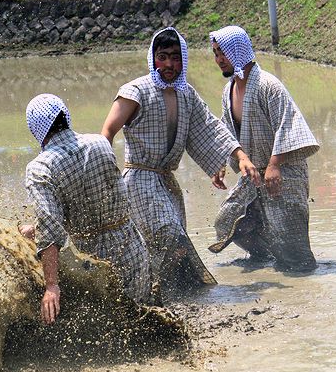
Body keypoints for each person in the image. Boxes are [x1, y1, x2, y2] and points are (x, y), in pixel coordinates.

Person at [101, 27, 260, 298]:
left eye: (175, 58)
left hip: (166, 182)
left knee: (166, 241)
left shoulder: (186, 94)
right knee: (170, 234)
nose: (169, 65)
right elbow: (107, 133)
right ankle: (180, 291)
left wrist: (240, 156)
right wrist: (106, 176)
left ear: (183, 60)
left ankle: (162, 294)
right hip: (140, 180)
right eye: (162, 57)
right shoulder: (135, 91)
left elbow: (209, 128)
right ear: (153, 58)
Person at [23, 94, 153, 324]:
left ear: (36, 129)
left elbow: (51, 230)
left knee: (108, 326)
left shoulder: (39, 168)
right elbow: (96, 198)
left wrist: (52, 286)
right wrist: (38, 228)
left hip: (95, 263)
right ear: (66, 116)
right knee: (140, 316)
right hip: (133, 251)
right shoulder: (100, 143)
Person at [208, 26, 320, 272]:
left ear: (237, 51)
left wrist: (274, 165)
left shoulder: (268, 85)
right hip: (253, 174)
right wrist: (218, 163)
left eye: (222, 52)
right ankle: (267, 257)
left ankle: (302, 278)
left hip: (283, 171)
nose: (218, 59)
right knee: (227, 222)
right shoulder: (229, 90)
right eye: (215, 53)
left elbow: (288, 124)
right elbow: (227, 133)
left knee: (292, 245)